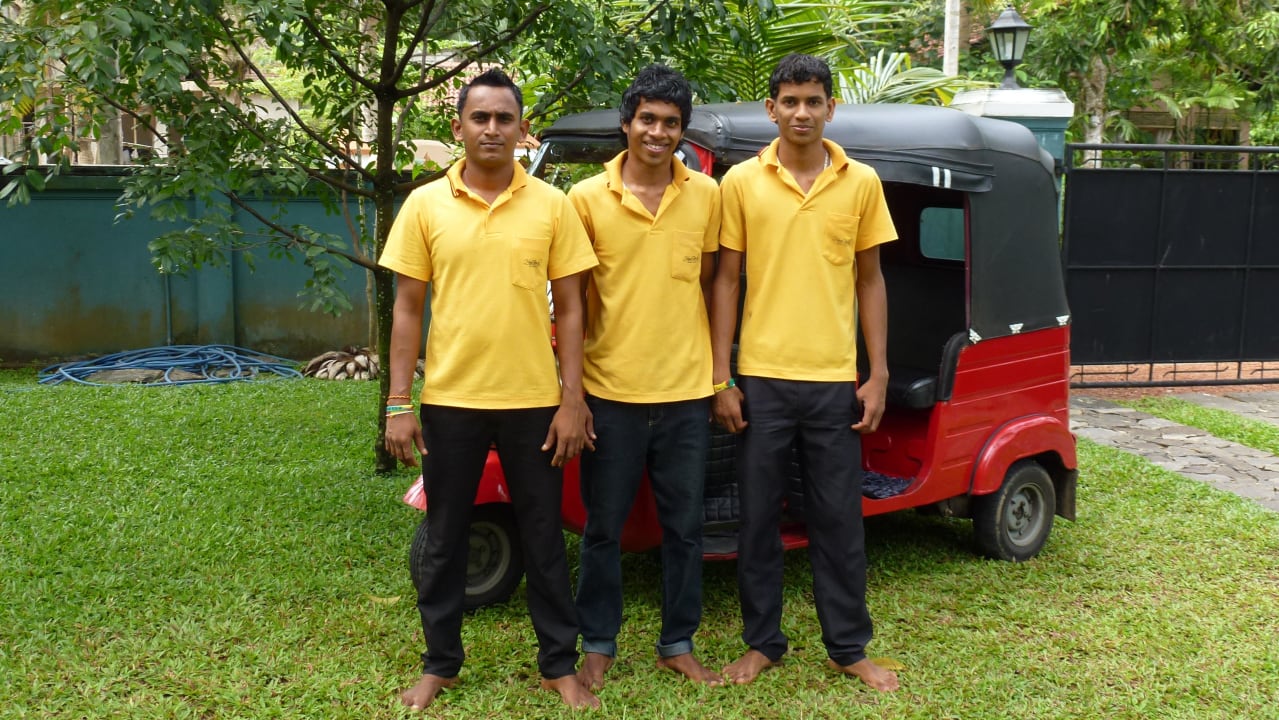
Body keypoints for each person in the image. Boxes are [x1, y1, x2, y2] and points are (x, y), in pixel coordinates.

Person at [379, 68, 601, 711]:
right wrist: (398, 402)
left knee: (544, 538)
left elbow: (573, 309)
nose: (492, 129)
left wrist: (572, 398)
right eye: (480, 117)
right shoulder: (425, 205)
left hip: (534, 402)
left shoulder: (552, 205)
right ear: (458, 127)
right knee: (445, 538)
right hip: (451, 401)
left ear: (522, 129)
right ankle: (440, 664)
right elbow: (407, 310)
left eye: (505, 118)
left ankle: (558, 665)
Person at [709, 53, 900, 692]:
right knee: (758, 518)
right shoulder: (741, 182)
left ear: (830, 108)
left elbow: (870, 281)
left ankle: (848, 647)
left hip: (833, 382)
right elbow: (726, 280)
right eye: (789, 101)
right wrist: (722, 376)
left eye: (813, 101)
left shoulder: (861, 182)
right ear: (771, 109)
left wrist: (876, 374)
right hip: (761, 380)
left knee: (838, 520)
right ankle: (762, 644)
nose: (801, 112)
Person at [567, 64, 723, 691]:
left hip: (686, 395)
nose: (658, 132)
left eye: (671, 122)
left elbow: (710, 287)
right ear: (626, 123)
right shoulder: (584, 199)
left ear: (683, 131)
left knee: (685, 530)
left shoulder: (707, 195)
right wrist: (572, 394)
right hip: (609, 395)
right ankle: (598, 644)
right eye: (647, 119)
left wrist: (718, 379)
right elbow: (573, 304)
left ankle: (677, 644)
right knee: (603, 528)